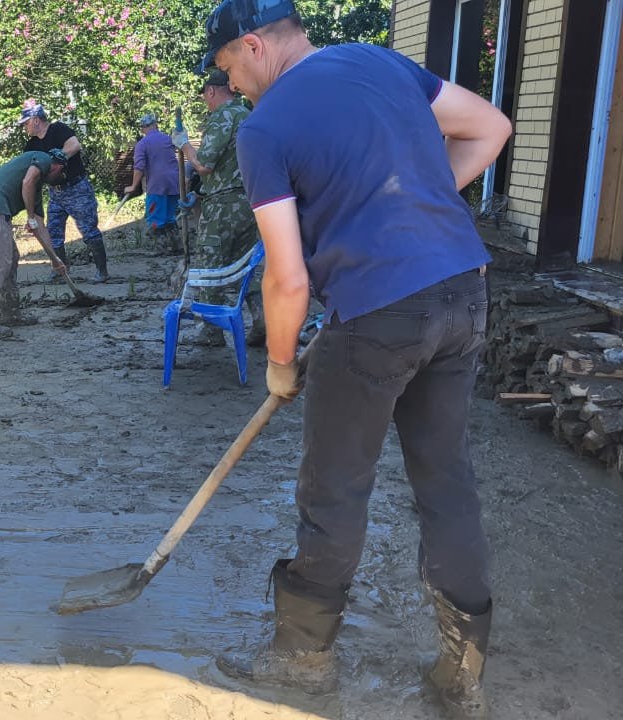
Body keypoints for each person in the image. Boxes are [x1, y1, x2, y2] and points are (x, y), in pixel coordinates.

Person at [200, 2, 512, 718]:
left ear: (253, 45)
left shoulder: (267, 127)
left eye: (229, 70)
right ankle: (464, 675)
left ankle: (301, 664)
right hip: (463, 293)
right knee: (446, 480)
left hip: (377, 315)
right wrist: (423, 210)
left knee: (335, 486)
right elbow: (492, 127)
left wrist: (280, 362)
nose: (237, 86)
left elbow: (288, 279)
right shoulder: (379, 61)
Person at [172, 69, 264, 346]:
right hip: (248, 204)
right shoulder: (248, 115)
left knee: (213, 265)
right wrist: (198, 194)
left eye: (205, 97)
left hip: (223, 206)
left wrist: (184, 144)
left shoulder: (223, 117)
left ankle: (211, 331)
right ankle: (261, 320)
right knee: (245, 265)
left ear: (211, 91)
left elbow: (204, 164)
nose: (205, 102)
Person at [0, 150, 71, 338]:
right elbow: (27, 181)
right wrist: (30, 216)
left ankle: (10, 313)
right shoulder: (43, 159)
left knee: (12, 257)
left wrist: (55, 259)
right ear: (58, 166)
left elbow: (40, 227)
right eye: (60, 173)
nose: (59, 178)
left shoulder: (36, 190)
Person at [19, 101, 110, 283]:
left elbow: (74, 145)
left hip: (77, 189)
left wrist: (59, 156)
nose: (25, 127)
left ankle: (102, 271)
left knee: (89, 230)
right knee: (53, 232)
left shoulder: (58, 129)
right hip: (55, 193)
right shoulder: (31, 145)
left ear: (36, 120)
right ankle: (60, 269)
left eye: (26, 123)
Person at [122, 112, 181, 253]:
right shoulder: (168, 139)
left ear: (142, 128)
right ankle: (176, 246)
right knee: (170, 217)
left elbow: (139, 167)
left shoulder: (143, 144)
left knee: (156, 219)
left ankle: (160, 249)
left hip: (157, 186)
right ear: (156, 125)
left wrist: (133, 186)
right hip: (174, 184)